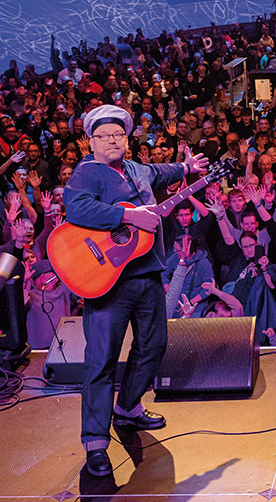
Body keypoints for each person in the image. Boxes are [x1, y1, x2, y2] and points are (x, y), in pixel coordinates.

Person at [64, 104, 208, 478]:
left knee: (154, 345)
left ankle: (127, 407)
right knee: (101, 360)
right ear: (91, 141)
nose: (112, 140)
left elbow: (161, 172)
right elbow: (77, 209)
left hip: (147, 274)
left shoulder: (136, 169)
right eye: (104, 135)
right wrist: (128, 216)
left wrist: (187, 168)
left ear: (127, 139)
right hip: (107, 281)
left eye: (118, 135)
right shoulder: (86, 172)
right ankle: (95, 442)